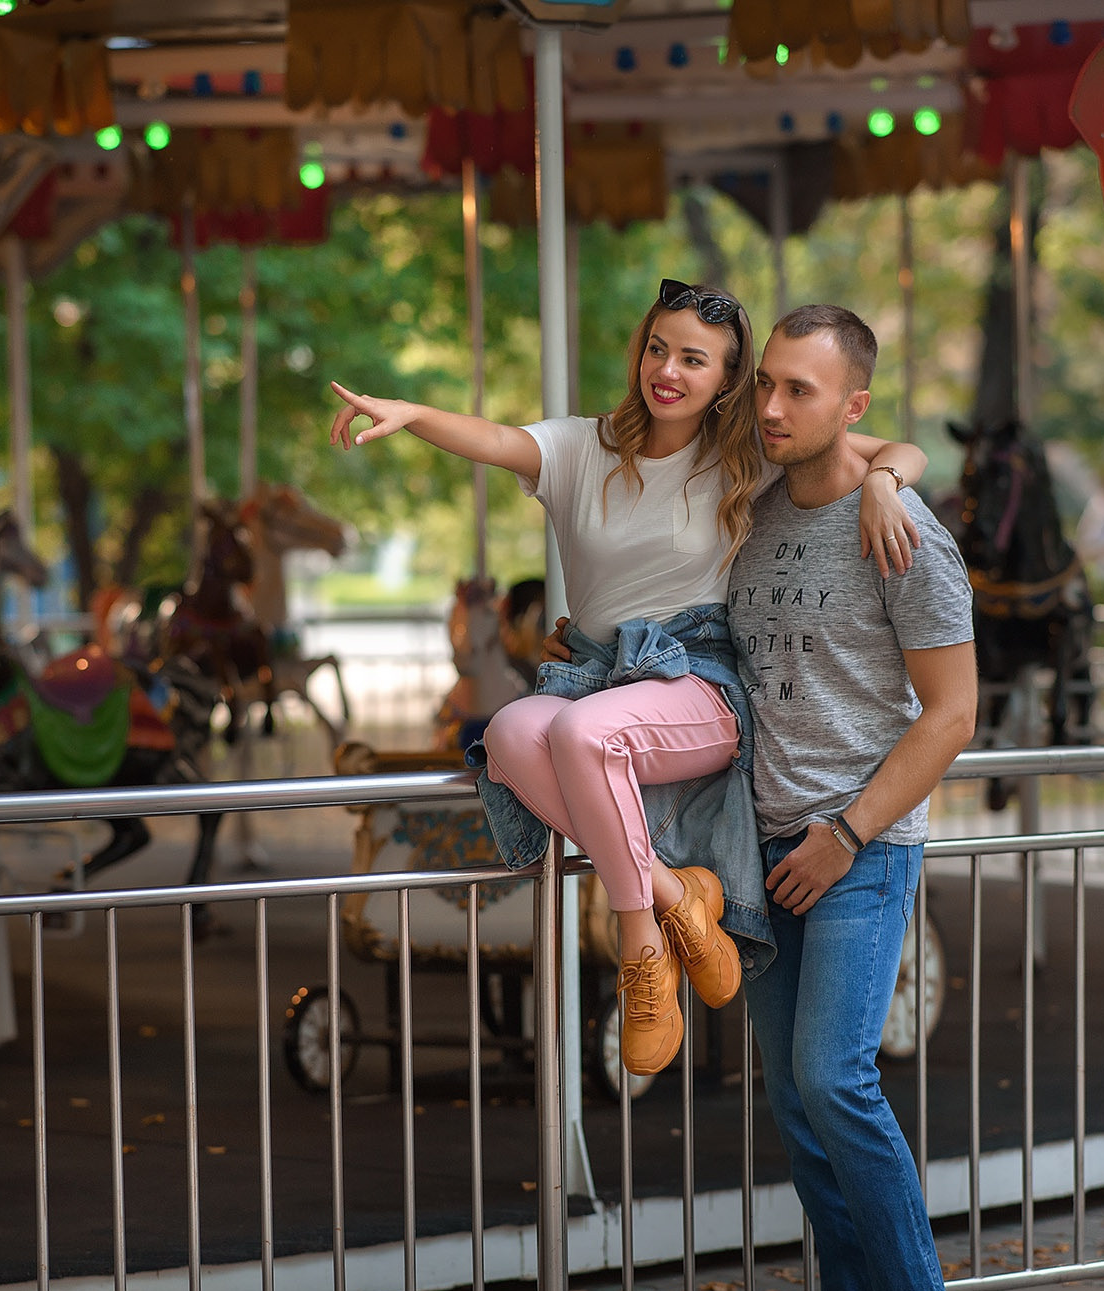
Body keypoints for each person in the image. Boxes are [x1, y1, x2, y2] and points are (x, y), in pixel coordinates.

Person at [328, 279, 929, 1075]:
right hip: (601, 680)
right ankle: (676, 897)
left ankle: (641, 948)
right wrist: (410, 415)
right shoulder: (586, 448)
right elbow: (495, 438)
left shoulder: (742, 451)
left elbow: (889, 449)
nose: (668, 370)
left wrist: (886, 485)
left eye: (694, 359)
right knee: (509, 732)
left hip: (701, 677)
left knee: (579, 730)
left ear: (726, 381)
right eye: (658, 348)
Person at [731, 304, 975, 1291]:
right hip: (763, 848)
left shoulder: (903, 529)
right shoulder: (748, 512)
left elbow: (954, 713)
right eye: (766, 384)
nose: (773, 406)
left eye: (801, 389)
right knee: (796, 1108)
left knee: (835, 1084)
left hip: (857, 846)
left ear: (854, 407)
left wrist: (845, 834)